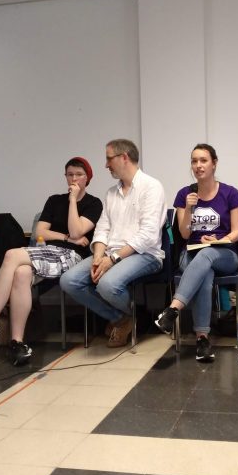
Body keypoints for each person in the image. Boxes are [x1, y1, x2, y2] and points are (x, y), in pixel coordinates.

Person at [0, 157, 102, 365]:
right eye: (70, 174)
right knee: (21, 273)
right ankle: (17, 342)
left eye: (79, 175)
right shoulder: (54, 200)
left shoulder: (94, 203)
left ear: (87, 178)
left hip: (72, 257)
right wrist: (66, 237)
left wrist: (73, 201)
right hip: (46, 252)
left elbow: (77, 230)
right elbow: (39, 232)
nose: (74, 179)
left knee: (11, 255)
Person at [60, 139, 166, 348]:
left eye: (109, 159)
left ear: (124, 157)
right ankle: (122, 318)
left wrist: (113, 259)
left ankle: (129, 318)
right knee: (69, 281)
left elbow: (148, 235)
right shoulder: (111, 193)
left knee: (107, 284)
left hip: (145, 254)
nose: (106, 165)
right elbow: (102, 229)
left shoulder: (151, 187)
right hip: (110, 253)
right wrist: (98, 256)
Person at [154, 144, 238, 362]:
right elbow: (185, 234)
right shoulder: (185, 194)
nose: (198, 165)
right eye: (194, 161)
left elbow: (236, 233)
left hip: (224, 253)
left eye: (203, 160)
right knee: (205, 272)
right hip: (192, 254)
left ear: (214, 163)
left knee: (207, 255)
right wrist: (188, 208)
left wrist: (217, 241)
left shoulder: (230, 193)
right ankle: (202, 340)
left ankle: (173, 309)